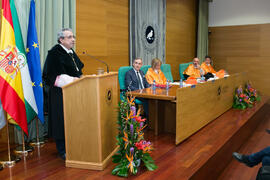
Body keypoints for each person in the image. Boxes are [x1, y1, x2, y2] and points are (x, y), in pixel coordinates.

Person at [43, 28, 84, 160]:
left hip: (74, 92)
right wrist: (75, 80)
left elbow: (78, 70)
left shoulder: (71, 52)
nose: (73, 39)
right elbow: (52, 75)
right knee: (61, 121)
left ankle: (75, 145)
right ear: (61, 40)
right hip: (60, 94)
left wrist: (83, 78)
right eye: (69, 37)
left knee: (73, 119)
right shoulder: (54, 53)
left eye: (73, 37)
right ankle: (63, 150)